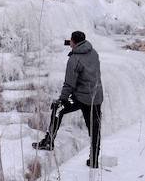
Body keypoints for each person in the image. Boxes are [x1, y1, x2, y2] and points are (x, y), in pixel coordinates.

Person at [32, 30, 103, 167]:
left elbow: (69, 84)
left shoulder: (74, 59)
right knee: (94, 128)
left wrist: (62, 99)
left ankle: (49, 141)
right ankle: (94, 160)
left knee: (58, 108)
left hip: (81, 98)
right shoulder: (93, 52)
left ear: (73, 42)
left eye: (70, 41)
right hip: (96, 96)